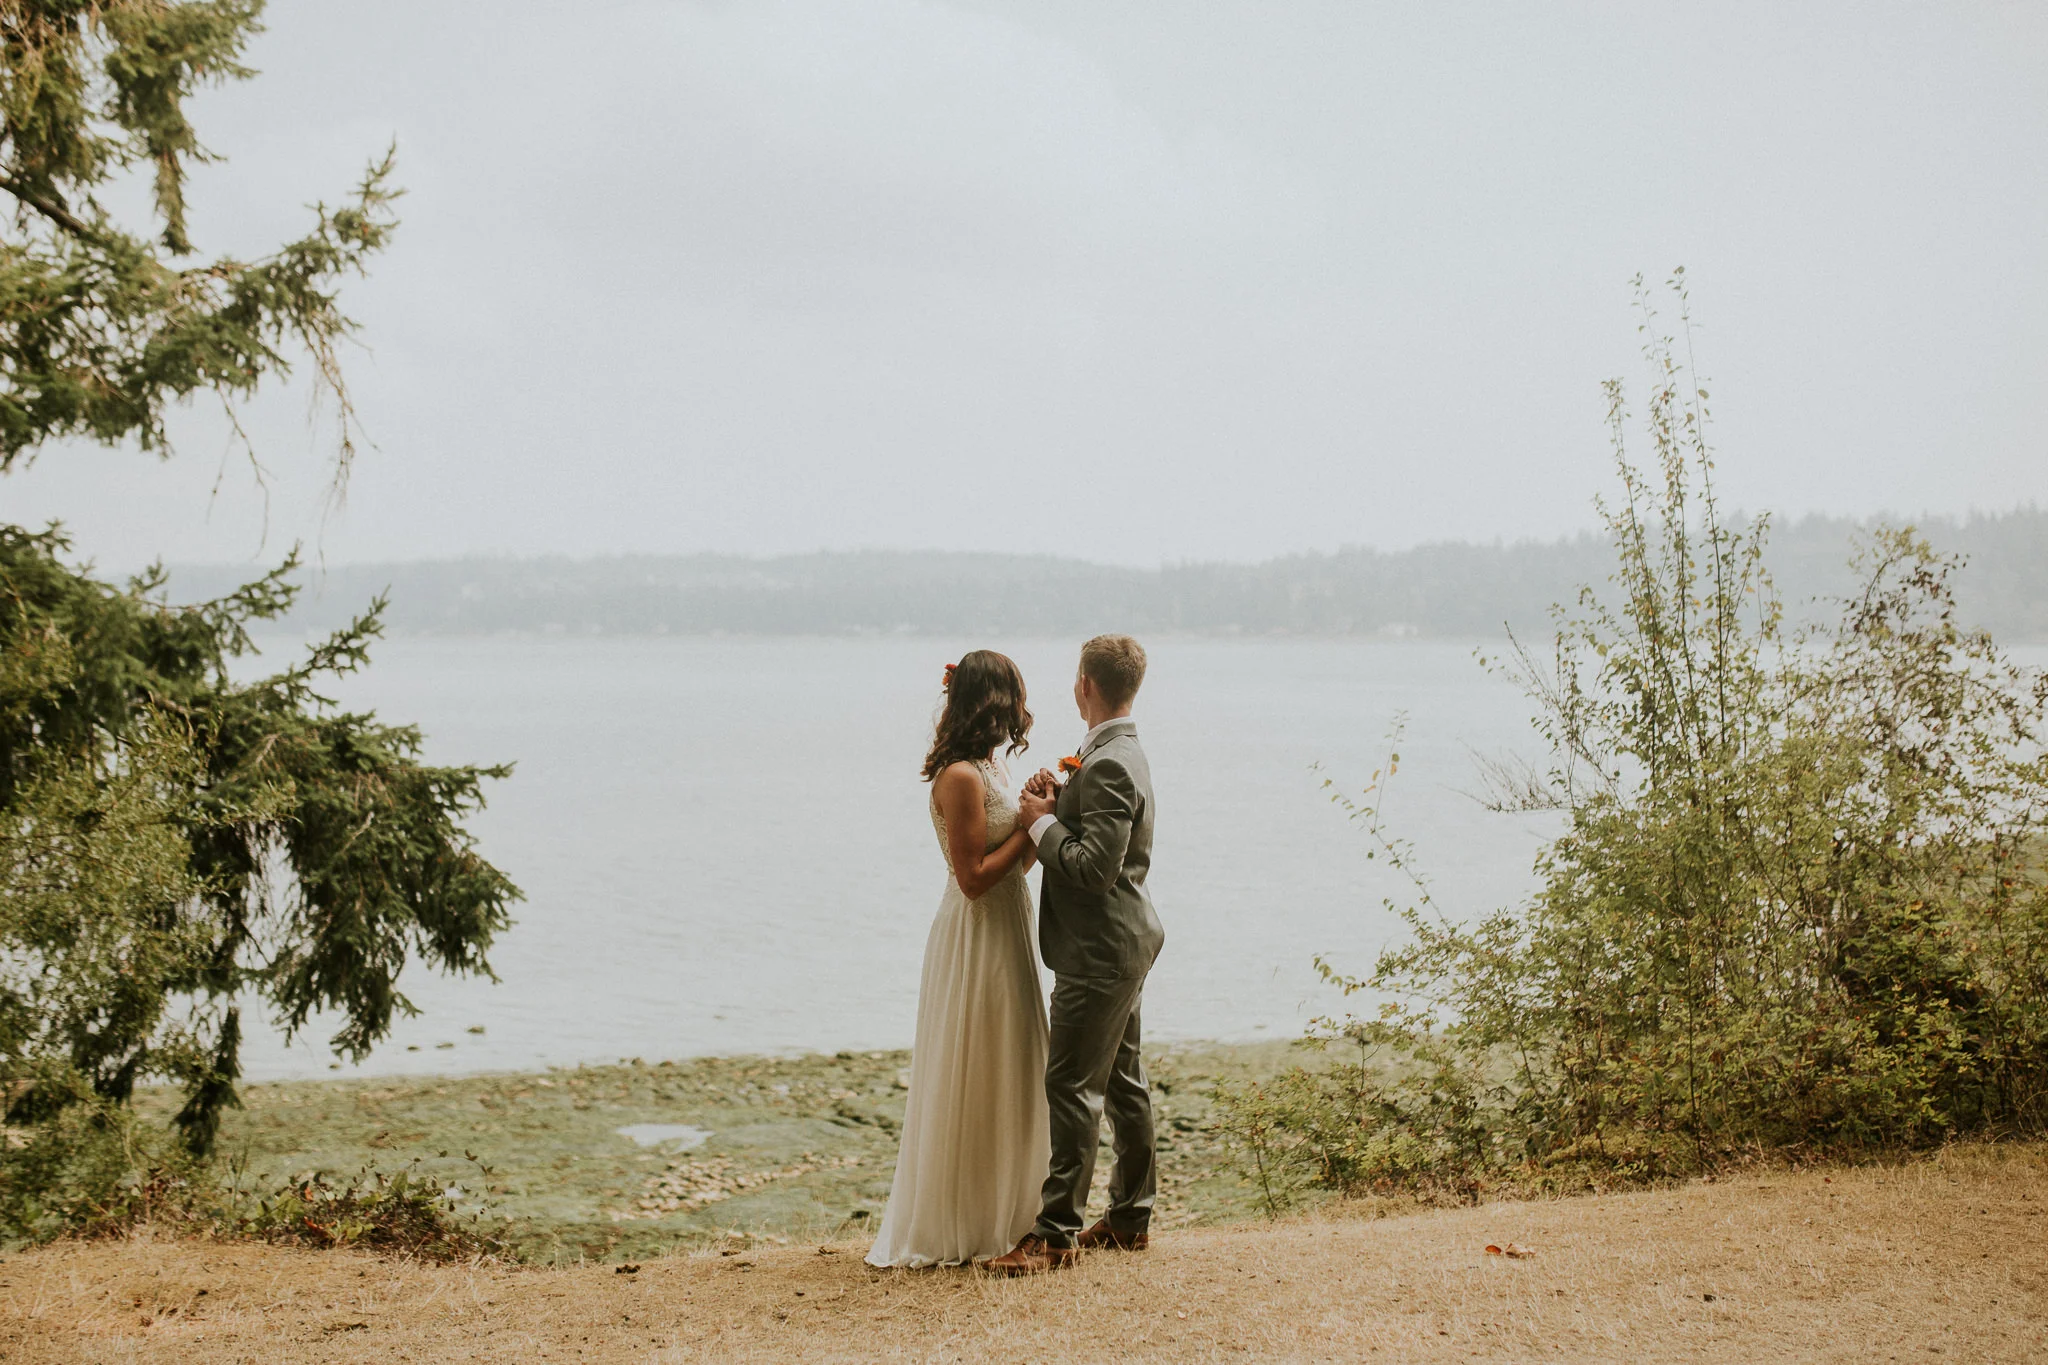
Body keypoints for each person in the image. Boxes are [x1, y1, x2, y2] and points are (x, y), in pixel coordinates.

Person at [865, 650, 1051, 1267]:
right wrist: (1031, 825)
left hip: (1010, 928)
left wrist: (1036, 811)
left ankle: (1014, 1214)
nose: (1023, 710)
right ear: (994, 702)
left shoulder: (992, 768)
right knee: (975, 1066)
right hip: (975, 936)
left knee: (1012, 1063)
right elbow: (972, 879)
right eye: (1016, 697)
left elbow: (1017, 865)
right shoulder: (960, 778)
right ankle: (964, 1222)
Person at [988, 634, 1163, 1276]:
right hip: (1122, 942)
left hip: (1100, 950)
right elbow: (1097, 839)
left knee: (1071, 1087)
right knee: (1122, 1081)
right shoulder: (1115, 752)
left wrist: (1039, 821)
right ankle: (1130, 1218)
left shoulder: (1112, 761)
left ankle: (1055, 1234)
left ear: (1085, 684)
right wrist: (1057, 800)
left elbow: (1093, 869)